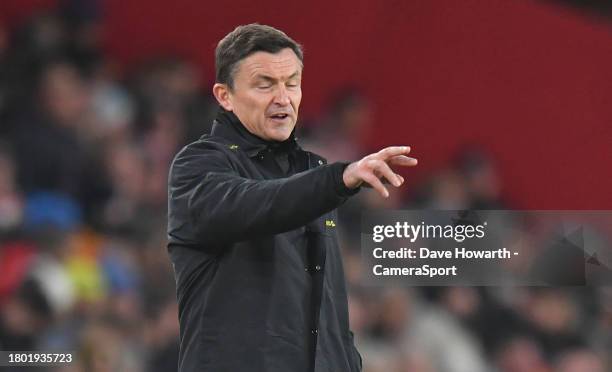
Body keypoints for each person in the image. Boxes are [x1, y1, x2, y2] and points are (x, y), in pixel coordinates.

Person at [167, 23, 417, 372]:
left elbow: (331, 315)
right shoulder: (199, 164)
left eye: (292, 83)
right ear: (225, 96)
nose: (282, 98)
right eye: (264, 84)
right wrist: (338, 178)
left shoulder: (311, 171)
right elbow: (260, 203)